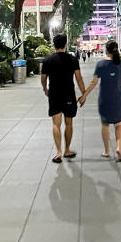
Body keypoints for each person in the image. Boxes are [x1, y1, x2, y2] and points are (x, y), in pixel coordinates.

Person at [80, 40, 121, 162]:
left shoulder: (100, 64)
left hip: (105, 99)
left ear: (106, 50)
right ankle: (118, 147)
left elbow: (94, 82)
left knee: (105, 124)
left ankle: (107, 150)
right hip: (118, 99)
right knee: (119, 124)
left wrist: (84, 95)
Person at [41, 34, 86, 164]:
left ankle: (58, 152)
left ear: (54, 45)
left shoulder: (48, 60)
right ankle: (67, 150)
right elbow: (79, 78)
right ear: (65, 44)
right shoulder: (72, 59)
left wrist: (45, 89)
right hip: (69, 95)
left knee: (56, 124)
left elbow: (43, 78)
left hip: (54, 94)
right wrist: (83, 94)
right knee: (69, 123)